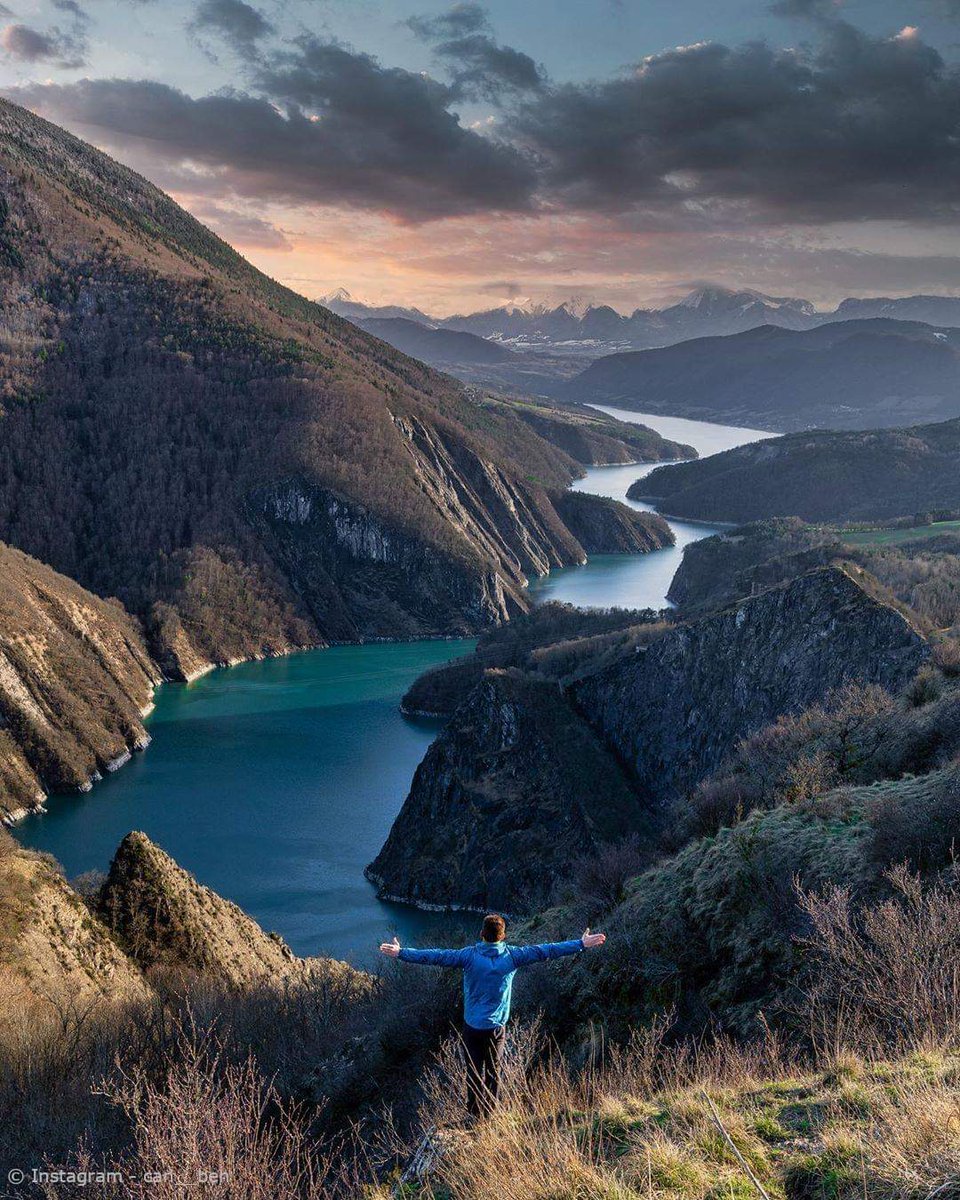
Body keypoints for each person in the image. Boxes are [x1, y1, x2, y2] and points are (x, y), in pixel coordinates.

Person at [380, 913, 606, 1118]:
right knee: (493, 1070)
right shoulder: (513, 956)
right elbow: (547, 951)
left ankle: (474, 1115)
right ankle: (490, 1114)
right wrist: (581, 945)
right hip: (496, 1027)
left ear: (481, 934)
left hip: (473, 1027)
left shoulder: (468, 956)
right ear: (503, 935)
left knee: (474, 1071)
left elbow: (436, 956)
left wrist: (402, 953)